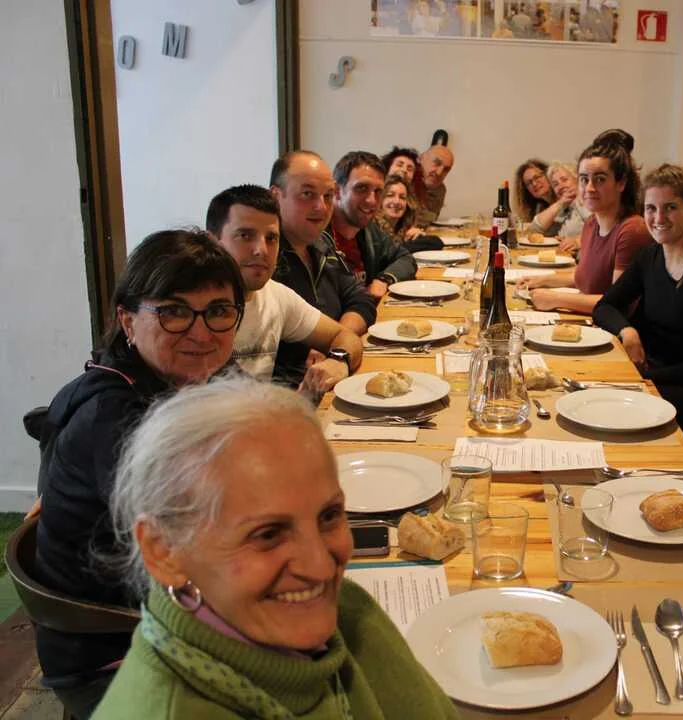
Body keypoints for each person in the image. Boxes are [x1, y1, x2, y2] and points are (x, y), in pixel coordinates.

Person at [93, 377, 459, 719]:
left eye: (329, 516)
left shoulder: (349, 613)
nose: (320, 566)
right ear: (163, 552)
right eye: (267, 535)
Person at [33, 230, 244, 719]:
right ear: (128, 320)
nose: (201, 332)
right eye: (173, 311)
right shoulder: (117, 418)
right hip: (111, 647)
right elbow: (190, 549)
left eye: (218, 310)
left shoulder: (181, 383)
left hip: (159, 608)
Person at [593, 164, 683, 443]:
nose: (658, 218)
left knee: (601, 409)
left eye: (670, 207)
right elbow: (604, 307)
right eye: (651, 208)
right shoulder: (650, 257)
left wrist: (640, 377)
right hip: (650, 378)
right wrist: (628, 331)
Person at [205, 184, 364, 392]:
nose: (261, 250)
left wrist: (338, 362)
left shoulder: (275, 295)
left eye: (271, 238)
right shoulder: (191, 308)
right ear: (211, 242)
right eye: (245, 235)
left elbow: (346, 337)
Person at [268, 151, 379, 386]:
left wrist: (334, 341)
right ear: (276, 197)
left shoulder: (322, 243)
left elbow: (361, 300)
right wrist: (337, 343)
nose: (321, 206)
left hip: (333, 373)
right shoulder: (263, 260)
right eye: (307, 194)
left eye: (328, 196)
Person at [522, 142, 650, 314]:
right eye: (584, 179)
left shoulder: (632, 230)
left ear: (621, 183)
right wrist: (541, 281)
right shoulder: (591, 223)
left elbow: (617, 303)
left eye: (600, 179)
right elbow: (583, 278)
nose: (589, 188)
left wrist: (555, 299)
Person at [325, 150, 418, 296]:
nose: (372, 200)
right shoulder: (316, 235)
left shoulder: (368, 230)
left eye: (378, 191)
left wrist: (384, 279)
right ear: (336, 191)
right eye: (361, 188)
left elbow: (405, 258)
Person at [375, 173, 444, 252]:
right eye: (390, 195)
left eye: (402, 197)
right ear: (380, 200)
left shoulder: (403, 228)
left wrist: (418, 236)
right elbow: (387, 254)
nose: (397, 201)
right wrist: (412, 244)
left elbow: (437, 243)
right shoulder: (373, 228)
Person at [530, 161, 591, 250]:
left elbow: (603, 230)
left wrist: (578, 241)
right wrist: (560, 204)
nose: (561, 186)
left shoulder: (587, 200)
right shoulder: (565, 207)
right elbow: (535, 229)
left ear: (577, 179)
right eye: (555, 184)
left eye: (564, 180)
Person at [413, 144, 455, 227]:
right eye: (437, 163)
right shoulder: (402, 185)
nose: (439, 172)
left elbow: (429, 222)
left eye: (446, 169)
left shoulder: (440, 189)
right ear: (421, 158)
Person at [512, 158, 556, 228]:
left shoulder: (564, 201)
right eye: (529, 183)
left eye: (537, 177)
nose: (534, 184)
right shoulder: (539, 208)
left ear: (548, 174)